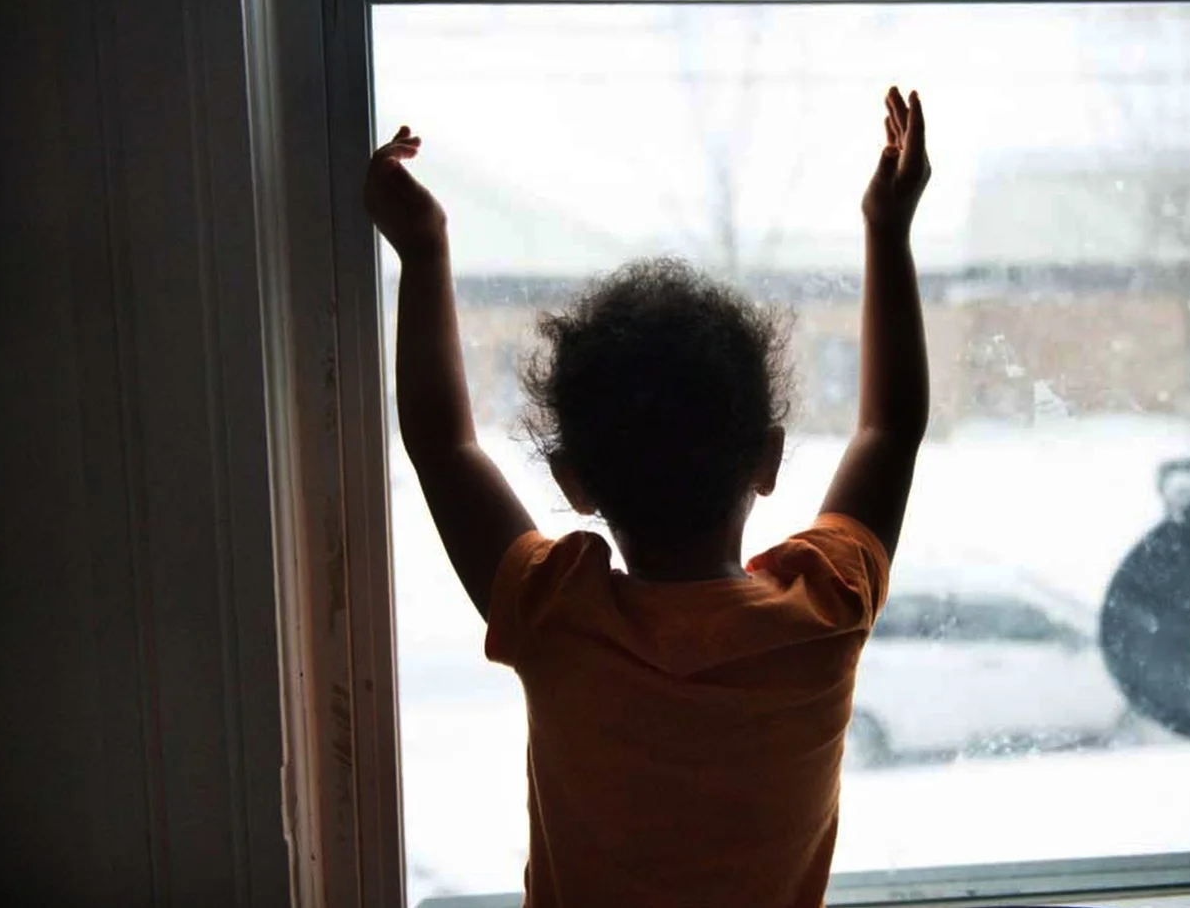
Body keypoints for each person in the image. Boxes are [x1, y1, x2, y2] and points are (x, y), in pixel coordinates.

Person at [363, 87, 932, 908]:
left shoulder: (557, 613)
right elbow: (890, 430)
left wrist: (422, 249)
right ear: (768, 458)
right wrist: (889, 226)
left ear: (575, 484)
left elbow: (442, 448)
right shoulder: (827, 605)